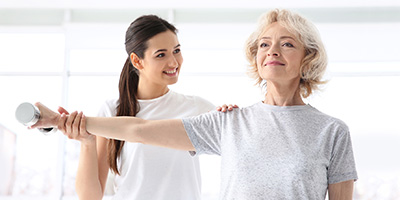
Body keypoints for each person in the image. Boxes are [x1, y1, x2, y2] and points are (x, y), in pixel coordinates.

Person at [33, 9, 357, 199]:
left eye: (287, 44)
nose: (272, 51)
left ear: (307, 58)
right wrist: (61, 121)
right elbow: (138, 129)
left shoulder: (332, 131)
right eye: (264, 44)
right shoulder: (229, 123)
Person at [55, 15, 221, 200]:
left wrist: (228, 114)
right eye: (161, 55)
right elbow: (90, 196)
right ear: (137, 61)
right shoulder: (112, 112)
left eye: (176, 50)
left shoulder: (197, 107)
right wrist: (87, 142)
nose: (174, 62)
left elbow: (235, 141)